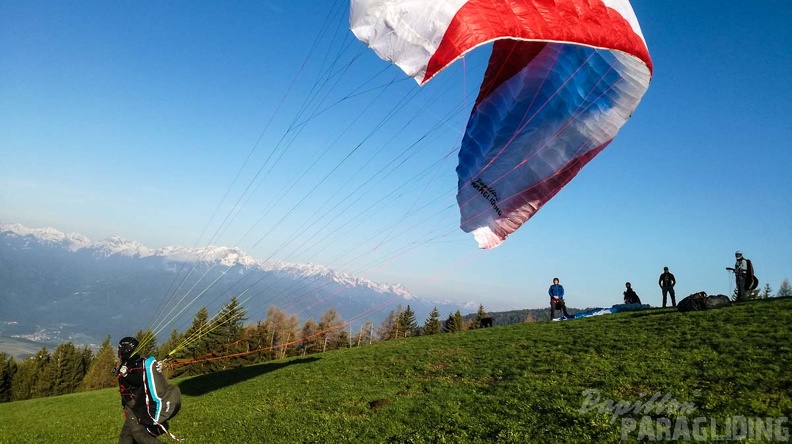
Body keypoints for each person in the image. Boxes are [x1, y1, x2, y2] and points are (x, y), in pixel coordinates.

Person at [116, 337, 162, 444]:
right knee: (127, 433)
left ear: (126, 349)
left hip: (135, 403)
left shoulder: (136, 364)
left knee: (139, 434)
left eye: (120, 348)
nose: (119, 350)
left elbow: (140, 380)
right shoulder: (128, 362)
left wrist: (126, 374)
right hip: (131, 403)